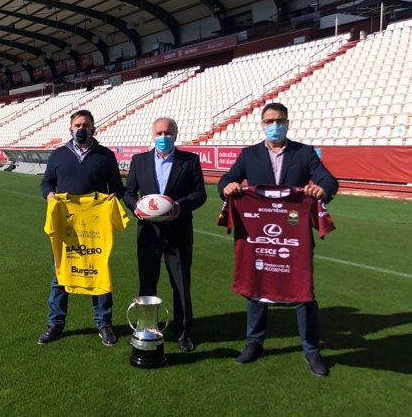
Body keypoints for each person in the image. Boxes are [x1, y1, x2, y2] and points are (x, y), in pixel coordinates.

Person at [218, 102, 338, 377]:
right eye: (269, 121)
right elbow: (227, 179)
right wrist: (229, 186)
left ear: (287, 122)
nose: (275, 125)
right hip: (258, 237)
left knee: (303, 291)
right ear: (262, 124)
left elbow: (328, 180)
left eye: (280, 120)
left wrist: (322, 189)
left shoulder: (304, 153)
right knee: (256, 287)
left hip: (293, 238)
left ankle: (311, 349)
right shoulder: (249, 155)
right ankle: (254, 342)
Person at [38, 109, 125, 346]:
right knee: (61, 274)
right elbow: (46, 182)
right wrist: (50, 195)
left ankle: (104, 323)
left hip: (95, 228)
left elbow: (117, 187)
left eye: (85, 125)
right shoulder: (58, 155)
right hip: (67, 226)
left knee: (98, 272)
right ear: (70, 129)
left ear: (94, 129)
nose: (81, 128)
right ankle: (55, 323)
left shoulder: (105, 156)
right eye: (77, 125)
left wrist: (113, 197)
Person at [123, 117, 207, 352]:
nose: (163, 137)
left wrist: (178, 206)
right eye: (159, 133)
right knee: (147, 283)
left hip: (178, 233)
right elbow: (128, 192)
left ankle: (183, 331)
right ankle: (147, 325)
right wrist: (136, 207)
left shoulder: (189, 161)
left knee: (181, 285)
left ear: (175, 135)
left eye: (167, 133)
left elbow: (200, 194)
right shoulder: (139, 161)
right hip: (148, 234)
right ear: (153, 135)